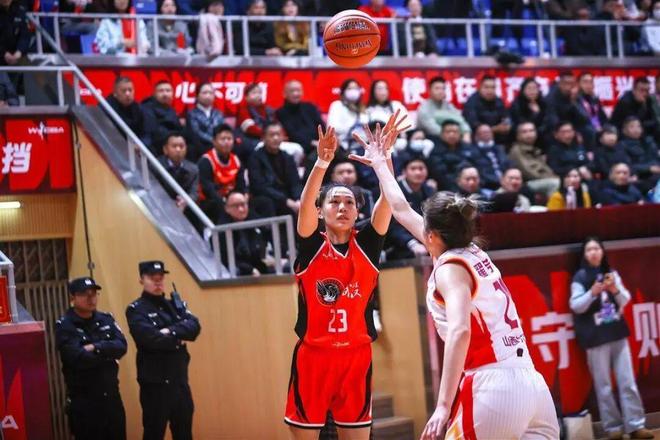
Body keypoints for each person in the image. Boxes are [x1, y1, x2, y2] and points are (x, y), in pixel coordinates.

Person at [351, 136, 559, 440]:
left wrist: (442, 405)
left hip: (492, 385)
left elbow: (461, 330)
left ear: (432, 235)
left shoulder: (450, 269)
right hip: (532, 384)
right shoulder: (472, 251)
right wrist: (381, 165)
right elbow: (400, 208)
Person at [284, 113, 404, 439]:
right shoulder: (312, 245)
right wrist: (322, 163)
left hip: (357, 357)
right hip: (314, 357)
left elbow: (389, 201)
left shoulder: (367, 245)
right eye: (334, 202)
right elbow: (305, 207)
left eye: (349, 202)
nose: (342, 207)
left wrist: (384, 159)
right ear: (321, 211)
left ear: (357, 212)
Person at [570, 238, 653, 440]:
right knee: (604, 386)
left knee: (627, 382)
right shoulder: (580, 277)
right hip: (595, 338)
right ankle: (613, 428)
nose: (594, 252)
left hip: (617, 333)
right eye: (589, 250)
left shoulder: (611, 274)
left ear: (603, 252)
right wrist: (592, 293)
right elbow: (576, 306)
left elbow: (625, 300)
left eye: (597, 248)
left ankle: (636, 426)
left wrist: (614, 289)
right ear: (584, 255)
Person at [126, 261, 201, 440]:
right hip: (155, 385)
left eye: (160, 277)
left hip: (179, 382)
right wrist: (178, 336)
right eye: (152, 278)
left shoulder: (175, 305)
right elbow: (150, 339)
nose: (158, 281)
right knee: (154, 433)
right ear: (141, 280)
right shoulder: (136, 310)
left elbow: (194, 327)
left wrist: (169, 331)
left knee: (184, 433)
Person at [55, 277, 127, 440]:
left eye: (93, 294)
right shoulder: (65, 325)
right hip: (85, 402)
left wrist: (95, 347)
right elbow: (77, 358)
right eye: (84, 294)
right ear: (72, 297)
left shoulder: (106, 319)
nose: (91, 298)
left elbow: (122, 346)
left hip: (111, 399)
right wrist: (108, 354)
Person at [247, 122, 302, 218]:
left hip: (288, 197)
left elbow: (295, 182)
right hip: (269, 197)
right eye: (272, 135)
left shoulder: (287, 157)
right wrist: (285, 200)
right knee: (268, 203)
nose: (276, 138)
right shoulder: (255, 158)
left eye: (278, 134)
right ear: (263, 138)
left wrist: (298, 199)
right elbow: (259, 186)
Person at [386, 157, 434, 260]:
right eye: (413, 169)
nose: (418, 172)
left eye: (421, 168)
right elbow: (392, 226)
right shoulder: (395, 191)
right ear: (404, 172)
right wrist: (412, 243)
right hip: (399, 245)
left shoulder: (429, 191)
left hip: (426, 239)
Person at [197, 124, 246, 222]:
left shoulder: (236, 160)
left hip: (232, 199)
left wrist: (239, 200)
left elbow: (241, 185)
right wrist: (227, 203)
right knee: (219, 206)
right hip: (211, 202)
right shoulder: (206, 161)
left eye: (229, 139)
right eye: (223, 139)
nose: (226, 142)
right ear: (214, 141)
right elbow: (208, 189)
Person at [218, 191, 271, 276]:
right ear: (227, 209)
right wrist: (250, 270)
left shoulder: (253, 222)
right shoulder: (222, 231)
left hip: (256, 267)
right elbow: (227, 259)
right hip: (238, 271)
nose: (241, 209)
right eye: (235, 206)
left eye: (243, 204)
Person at [508, 122, 559, 197]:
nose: (529, 134)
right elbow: (528, 173)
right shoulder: (516, 151)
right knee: (555, 183)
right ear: (518, 136)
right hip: (527, 183)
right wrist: (551, 177)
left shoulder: (535, 150)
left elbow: (547, 170)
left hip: (541, 181)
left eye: (531, 130)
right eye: (524, 132)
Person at [276, 80, 325, 155]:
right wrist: (311, 142)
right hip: (300, 146)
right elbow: (292, 134)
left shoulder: (310, 107)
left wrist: (323, 140)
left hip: (319, 143)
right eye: (292, 91)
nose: (296, 93)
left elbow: (321, 126)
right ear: (284, 94)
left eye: (298, 90)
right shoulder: (281, 112)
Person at [544, 72, 592, 147]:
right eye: (566, 83)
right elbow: (553, 121)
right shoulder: (551, 98)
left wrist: (573, 102)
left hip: (572, 127)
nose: (569, 87)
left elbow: (585, 118)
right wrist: (570, 132)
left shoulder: (575, 96)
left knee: (588, 130)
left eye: (572, 84)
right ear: (560, 84)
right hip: (556, 128)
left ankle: (590, 153)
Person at [427, 120, 478, 191]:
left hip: (473, 184)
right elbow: (441, 175)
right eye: (448, 132)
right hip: (449, 188)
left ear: (460, 134)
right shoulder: (435, 151)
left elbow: (478, 165)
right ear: (441, 134)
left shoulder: (468, 148)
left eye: (455, 132)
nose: (452, 134)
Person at [462, 75, 511, 145]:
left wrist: (507, 123)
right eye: (486, 87)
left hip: (497, 138)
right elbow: (473, 124)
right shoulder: (472, 102)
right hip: (477, 138)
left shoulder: (498, 101)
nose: (490, 91)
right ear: (480, 88)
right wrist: (494, 129)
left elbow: (506, 115)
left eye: (493, 87)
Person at [157, 132, 199, 211]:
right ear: (165, 149)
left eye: (181, 146)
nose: (178, 149)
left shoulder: (193, 169)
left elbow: (194, 193)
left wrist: (186, 200)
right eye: (174, 146)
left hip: (183, 207)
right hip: (160, 204)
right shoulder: (156, 165)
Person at [618, 116, 660, 192]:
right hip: (640, 177)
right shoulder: (621, 145)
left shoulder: (648, 141)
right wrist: (649, 169)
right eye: (632, 127)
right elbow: (628, 166)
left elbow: (655, 158)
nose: (636, 129)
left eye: (638, 126)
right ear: (624, 130)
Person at [185, 82, 224, 162]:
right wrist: (214, 141)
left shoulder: (218, 113)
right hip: (200, 147)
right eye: (204, 93)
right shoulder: (191, 113)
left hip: (218, 145)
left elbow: (222, 130)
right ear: (197, 95)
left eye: (210, 93)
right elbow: (196, 132)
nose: (208, 96)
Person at [141, 80, 184, 155]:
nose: (165, 94)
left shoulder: (171, 110)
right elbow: (154, 131)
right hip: (155, 148)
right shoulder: (147, 108)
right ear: (154, 94)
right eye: (161, 91)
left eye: (168, 91)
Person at [611, 77, 659, 142]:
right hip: (622, 132)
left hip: (642, 130)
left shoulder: (648, 99)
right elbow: (634, 123)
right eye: (642, 90)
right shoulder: (626, 102)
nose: (645, 93)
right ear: (634, 90)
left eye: (647, 90)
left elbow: (653, 119)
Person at [327, 79, 369, 151]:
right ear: (343, 91)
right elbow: (332, 127)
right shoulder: (337, 105)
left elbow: (366, 129)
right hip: (342, 147)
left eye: (356, 88)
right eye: (349, 88)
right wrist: (354, 132)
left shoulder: (363, 108)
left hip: (362, 147)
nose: (353, 91)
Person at [105, 77, 148, 145]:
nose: (128, 94)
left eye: (130, 90)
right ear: (115, 93)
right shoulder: (105, 107)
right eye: (123, 91)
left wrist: (140, 144)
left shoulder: (137, 108)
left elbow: (145, 133)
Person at [236, 82, 277, 151]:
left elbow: (275, 124)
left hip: (269, 139)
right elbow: (249, 128)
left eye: (259, 93)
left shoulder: (267, 109)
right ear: (246, 97)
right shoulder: (243, 109)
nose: (258, 95)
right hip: (251, 140)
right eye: (254, 93)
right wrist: (268, 135)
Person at [471, 124, 510, 191]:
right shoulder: (473, 152)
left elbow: (508, 164)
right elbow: (480, 172)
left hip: (506, 183)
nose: (486, 134)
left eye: (488, 132)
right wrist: (499, 181)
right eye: (483, 132)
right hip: (487, 186)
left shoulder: (500, 148)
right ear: (476, 136)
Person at [0, 0, 29, 67]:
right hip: (2, 55)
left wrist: (19, 52)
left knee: (31, 69)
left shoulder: (19, 10)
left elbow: (25, 35)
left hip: (17, 56)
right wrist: (4, 53)